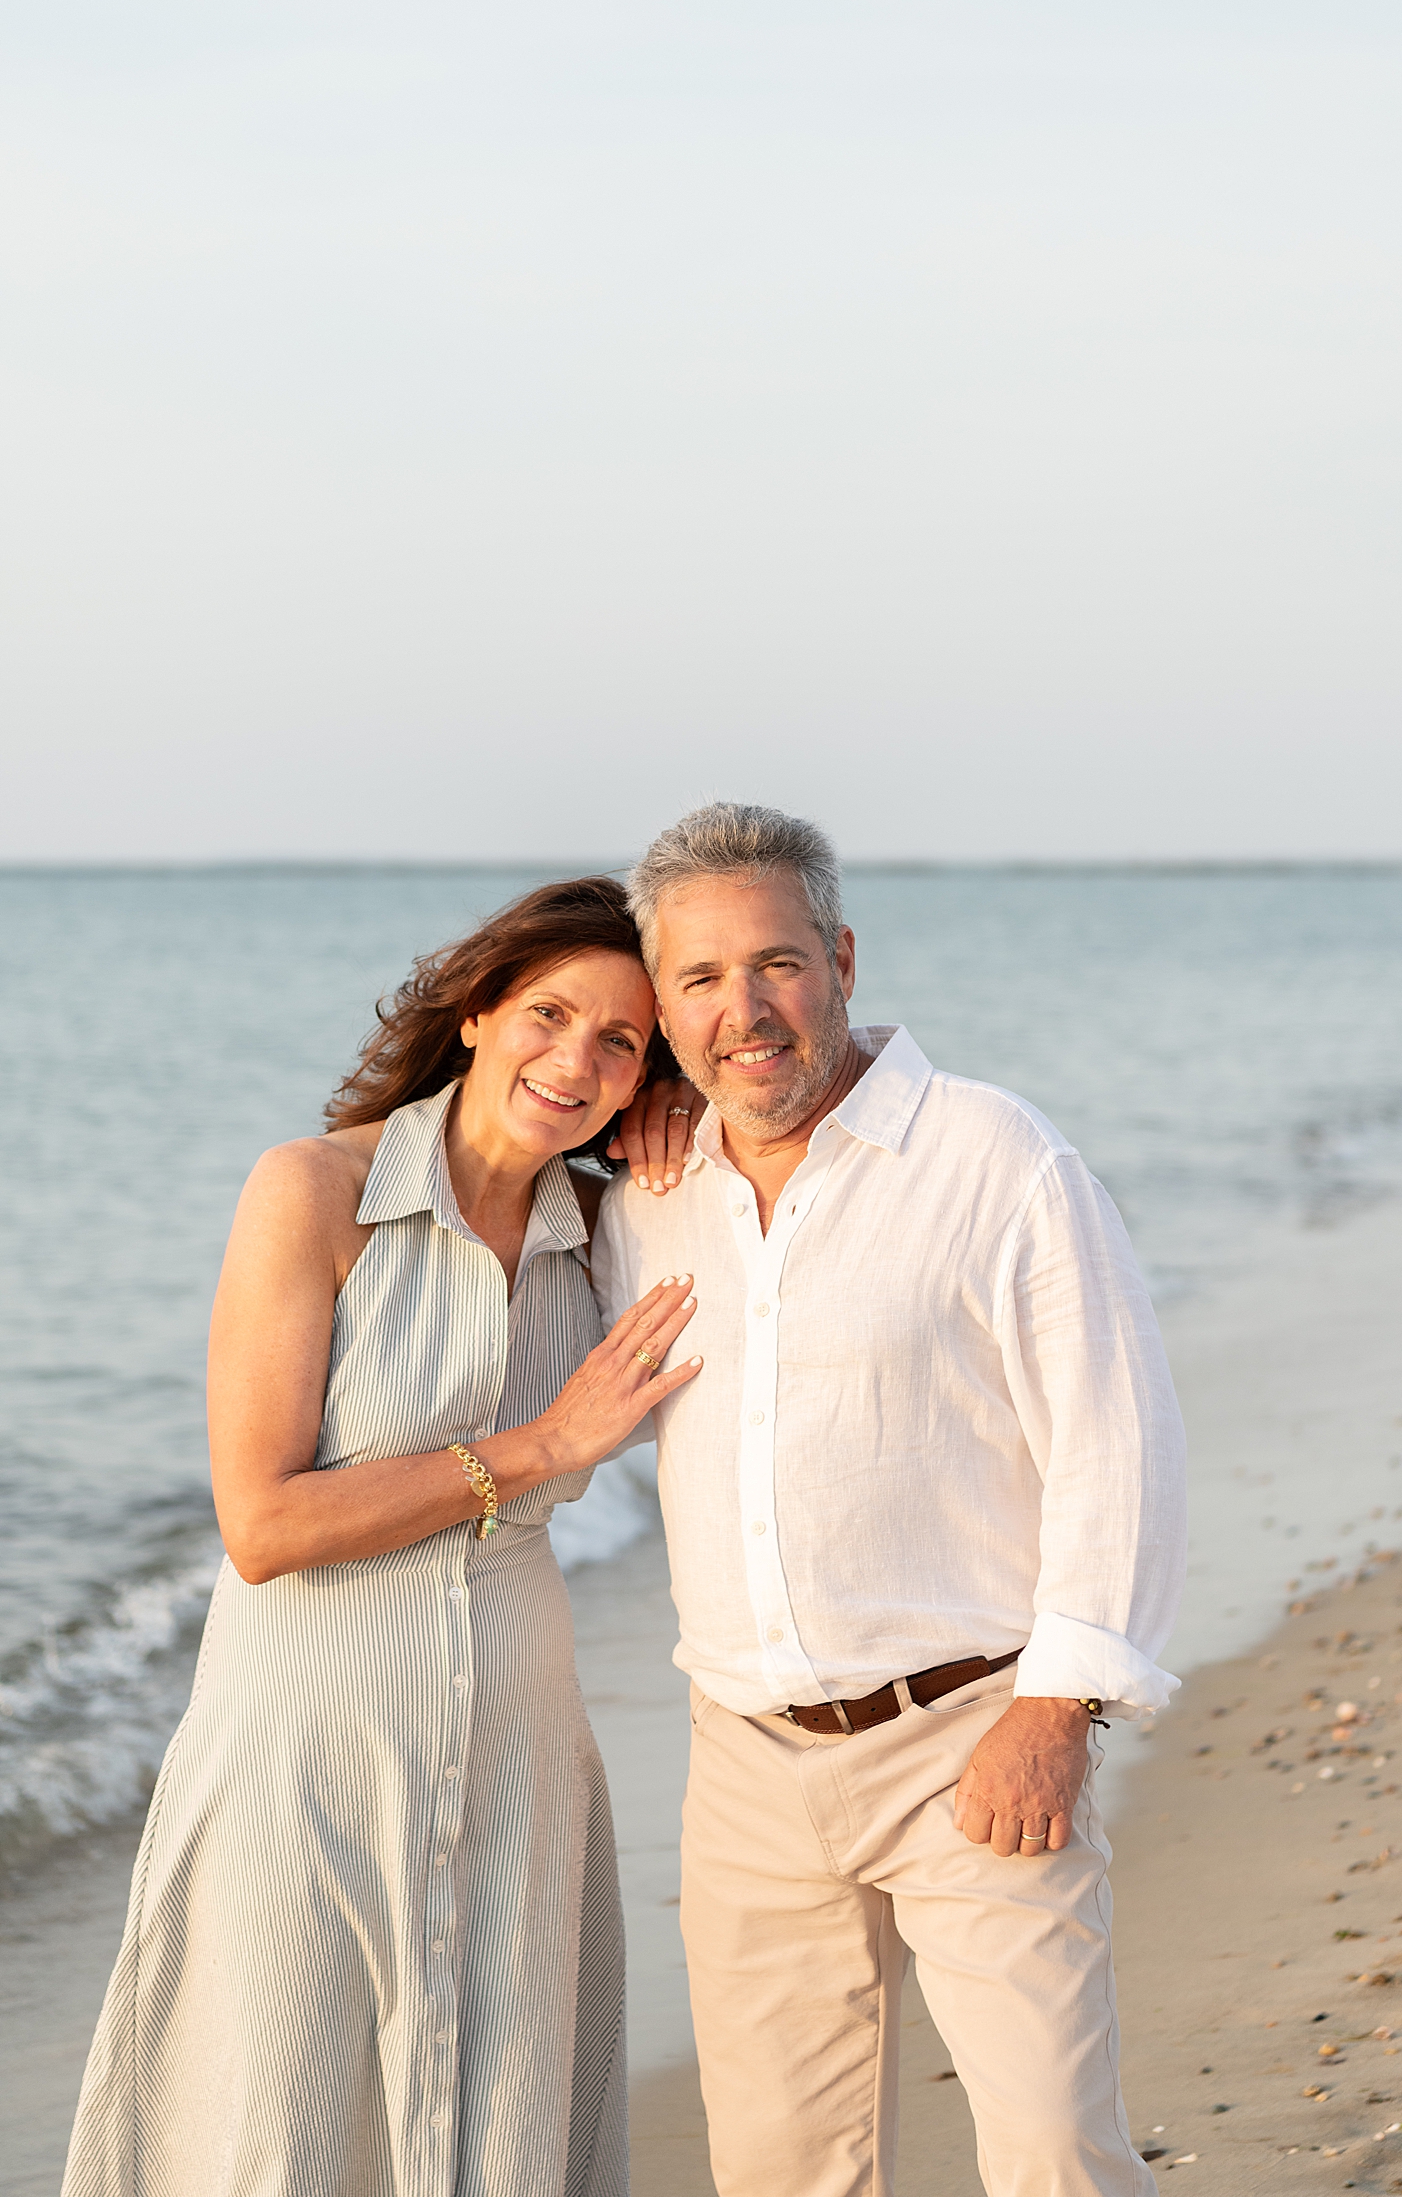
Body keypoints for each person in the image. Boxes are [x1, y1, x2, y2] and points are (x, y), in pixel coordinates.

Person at [63, 877, 703, 2197]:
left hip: (520, 1768)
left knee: (503, 2134)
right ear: (476, 1011)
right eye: (550, 1013)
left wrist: (694, 1126)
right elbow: (262, 1520)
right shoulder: (311, 1193)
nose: (575, 1057)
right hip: (306, 1762)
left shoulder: (615, 1239)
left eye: (622, 1041)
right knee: (283, 2134)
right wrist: (535, 1447)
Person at [591, 806, 1188, 2197]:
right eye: (700, 979)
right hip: (743, 1764)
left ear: (842, 957)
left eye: (777, 964)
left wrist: (1058, 1708)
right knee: (784, 2170)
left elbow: (1118, 1438)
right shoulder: (650, 1189)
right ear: (664, 1006)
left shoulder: (995, 1157)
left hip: (972, 1740)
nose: (745, 1010)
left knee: (1054, 2151)